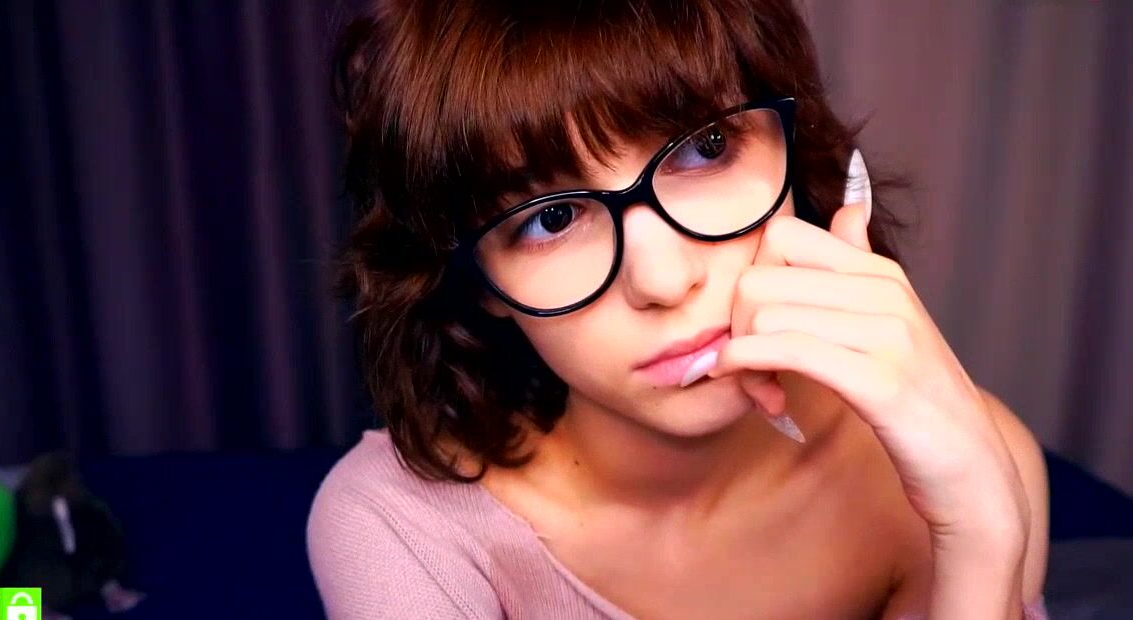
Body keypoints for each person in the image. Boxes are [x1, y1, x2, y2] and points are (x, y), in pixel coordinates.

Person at [307, 0, 1050, 618]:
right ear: (482, 284)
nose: (662, 280)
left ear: (793, 152)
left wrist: (982, 534)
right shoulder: (400, 529)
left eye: (706, 147)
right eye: (551, 218)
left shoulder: (956, 465)